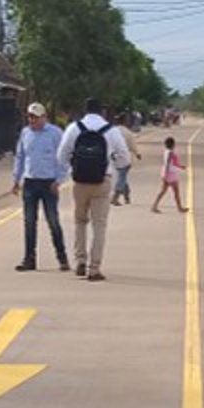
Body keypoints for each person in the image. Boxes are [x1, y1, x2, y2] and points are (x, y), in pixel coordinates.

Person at [57, 97, 131, 282]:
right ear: (102, 111)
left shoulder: (74, 128)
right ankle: (94, 268)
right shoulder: (111, 130)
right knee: (99, 226)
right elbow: (125, 158)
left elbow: (61, 155)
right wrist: (112, 163)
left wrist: (74, 166)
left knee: (80, 221)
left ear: (85, 110)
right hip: (102, 181)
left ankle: (80, 261)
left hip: (80, 182)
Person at [9, 102, 68, 272]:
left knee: (53, 221)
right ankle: (29, 258)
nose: (32, 120)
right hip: (30, 182)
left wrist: (59, 180)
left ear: (44, 117)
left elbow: (63, 158)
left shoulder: (55, 133)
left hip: (49, 183)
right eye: (30, 117)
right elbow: (20, 157)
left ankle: (62, 256)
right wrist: (16, 179)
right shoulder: (25, 133)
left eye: (35, 117)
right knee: (29, 222)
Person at [150, 136, 186, 214]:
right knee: (176, 192)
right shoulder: (170, 153)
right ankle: (179, 208)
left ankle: (154, 206)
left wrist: (181, 166)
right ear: (173, 144)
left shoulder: (167, 152)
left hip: (167, 173)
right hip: (170, 174)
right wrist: (167, 173)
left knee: (163, 191)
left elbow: (174, 163)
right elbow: (168, 163)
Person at [110, 117, 135, 206]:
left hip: (114, 158)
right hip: (125, 159)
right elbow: (132, 146)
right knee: (122, 177)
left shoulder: (112, 131)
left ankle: (122, 196)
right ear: (125, 121)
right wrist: (137, 153)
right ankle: (117, 197)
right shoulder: (128, 132)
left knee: (121, 177)